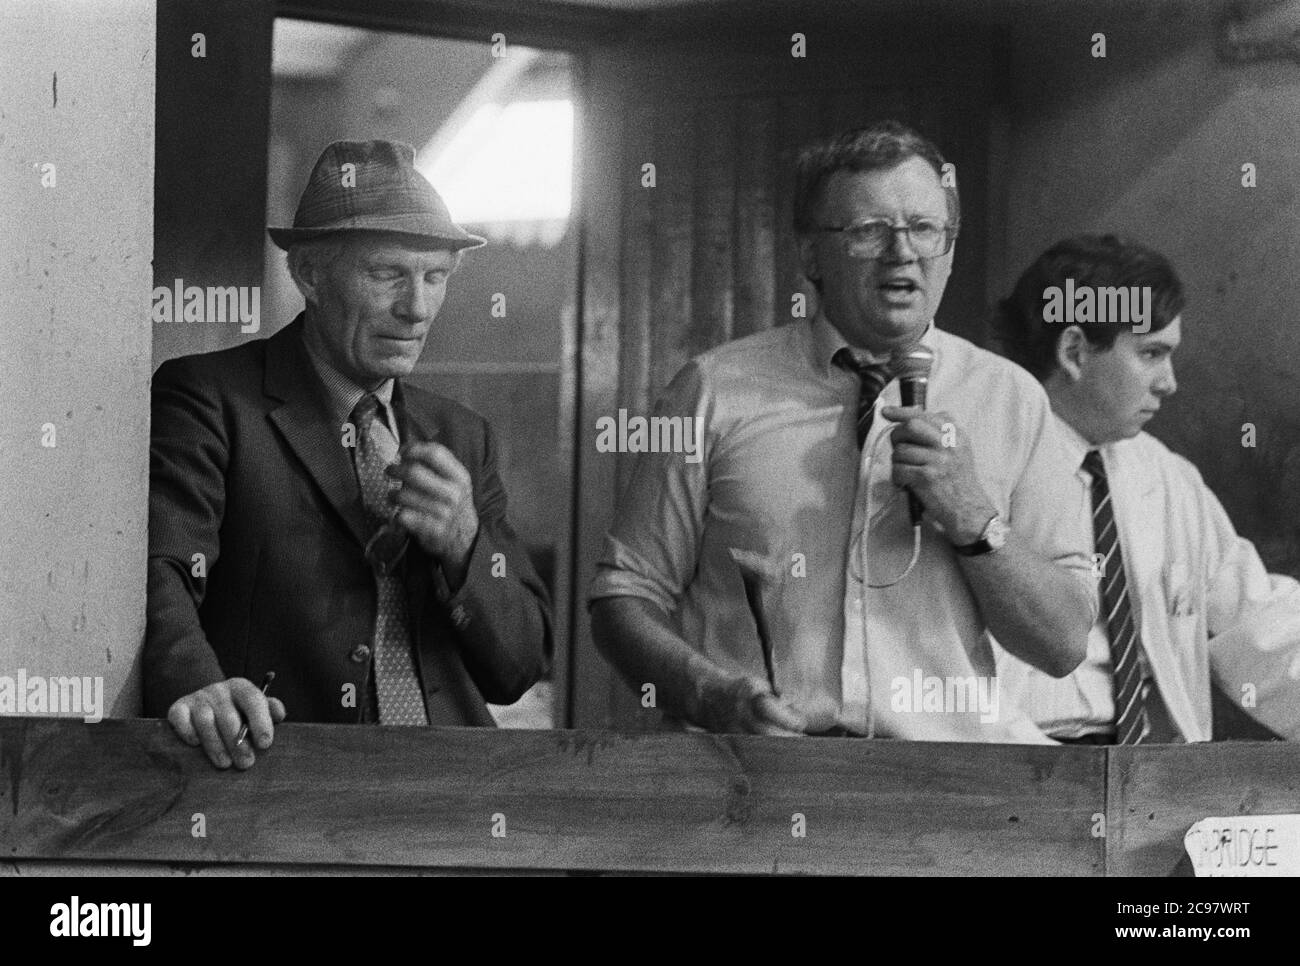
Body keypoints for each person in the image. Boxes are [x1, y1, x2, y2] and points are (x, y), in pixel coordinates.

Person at [589, 121, 1096, 742]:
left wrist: (975, 520)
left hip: (949, 785)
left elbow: (1064, 643)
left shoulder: (1013, 400)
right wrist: (709, 695)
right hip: (753, 780)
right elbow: (624, 597)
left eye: (924, 228)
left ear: (950, 247)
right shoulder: (712, 391)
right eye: (868, 231)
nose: (902, 252)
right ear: (809, 254)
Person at [144, 140, 552, 769]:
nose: (416, 308)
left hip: (451, 789)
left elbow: (519, 669)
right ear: (308, 273)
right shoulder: (209, 398)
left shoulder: (464, 435)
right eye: (388, 274)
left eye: (434, 277)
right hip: (281, 776)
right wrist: (200, 687)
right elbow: (164, 568)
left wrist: (466, 543)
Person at [992, 234, 1300, 743]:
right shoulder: (976, 469)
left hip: (1151, 778)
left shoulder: (1165, 476)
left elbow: (1260, 623)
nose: (1169, 383)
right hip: (1014, 773)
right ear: (1073, 351)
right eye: (1151, 353)